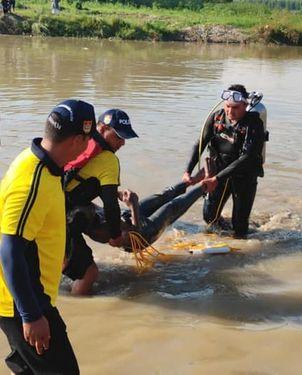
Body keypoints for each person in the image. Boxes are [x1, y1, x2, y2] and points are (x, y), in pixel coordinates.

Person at [0, 99, 95, 374]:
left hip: (22, 298)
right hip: (23, 302)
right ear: (78, 140)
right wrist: (31, 315)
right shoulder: (33, 180)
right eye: (89, 140)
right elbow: (10, 250)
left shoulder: (40, 162)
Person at [63, 109, 138, 295]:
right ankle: (78, 312)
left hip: (51, 208)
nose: (122, 143)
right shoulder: (109, 160)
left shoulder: (79, 142)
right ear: (103, 128)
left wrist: (115, 192)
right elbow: (111, 206)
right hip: (60, 219)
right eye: (119, 137)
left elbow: (78, 181)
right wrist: (115, 236)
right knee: (89, 274)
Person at [183, 84, 267, 239]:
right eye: (227, 106)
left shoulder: (253, 124)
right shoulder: (217, 118)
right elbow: (200, 144)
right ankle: (222, 238)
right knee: (209, 217)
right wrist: (188, 171)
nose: (230, 111)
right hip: (220, 171)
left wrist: (216, 179)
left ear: (245, 105)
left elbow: (247, 157)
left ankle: (239, 242)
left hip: (244, 176)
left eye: (235, 107)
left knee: (240, 227)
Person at [67, 170, 208, 255]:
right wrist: (133, 203)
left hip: (128, 215)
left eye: (90, 206)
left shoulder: (83, 208)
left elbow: (99, 191)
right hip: (144, 233)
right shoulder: (100, 233)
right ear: (90, 221)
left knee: (163, 195)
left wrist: (118, 194)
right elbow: (137, 235)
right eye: (91, 210)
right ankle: (205, 186)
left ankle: (192, 181)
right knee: (171, 207)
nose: (93, 207)